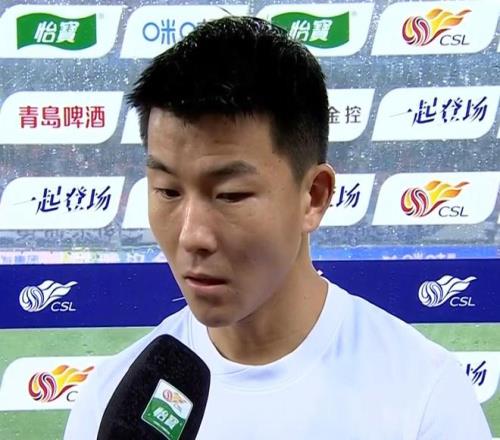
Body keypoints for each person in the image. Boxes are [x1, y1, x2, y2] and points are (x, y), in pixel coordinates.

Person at [64, 16, 491, 439]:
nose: (192, 236)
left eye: (230, 195)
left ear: (314, 197)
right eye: (168, 191)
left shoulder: (424, 394)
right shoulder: (111, 401)